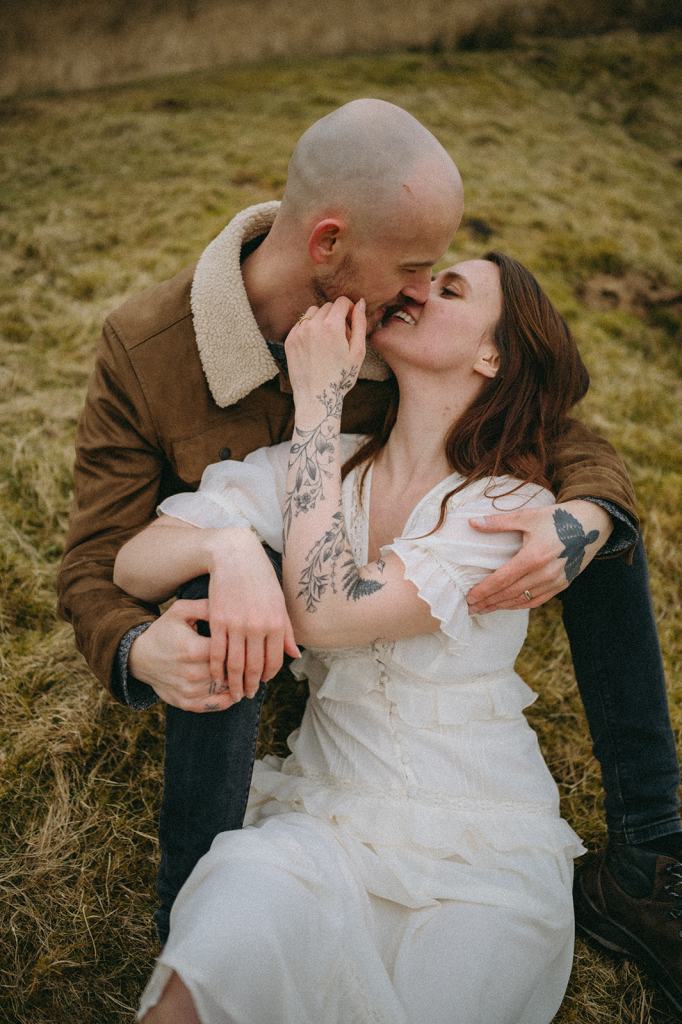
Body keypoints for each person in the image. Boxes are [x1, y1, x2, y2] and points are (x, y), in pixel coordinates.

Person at [57, 99, 681, 1009]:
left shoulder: (413, 373)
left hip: (453, 791)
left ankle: (652, 854)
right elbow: (101, 558)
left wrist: (581, 516)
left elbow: (543, 423)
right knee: (206, 570)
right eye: (420, 268)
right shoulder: (151, 351)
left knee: (600, 535)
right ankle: (189, 900)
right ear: (330, 244)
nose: (420, 290)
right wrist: (171, 605)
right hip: (282, 703)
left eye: (444, 280)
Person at [119, 254, 603, 1021]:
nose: (416, 290)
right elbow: (134, 559)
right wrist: (228, 547)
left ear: (494, 354)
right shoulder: (329, 467)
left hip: (477, 848)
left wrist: (317, 400)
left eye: (450, 291)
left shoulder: (510, 509)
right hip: (321, 820)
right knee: (206, 969)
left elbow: (326, 612)